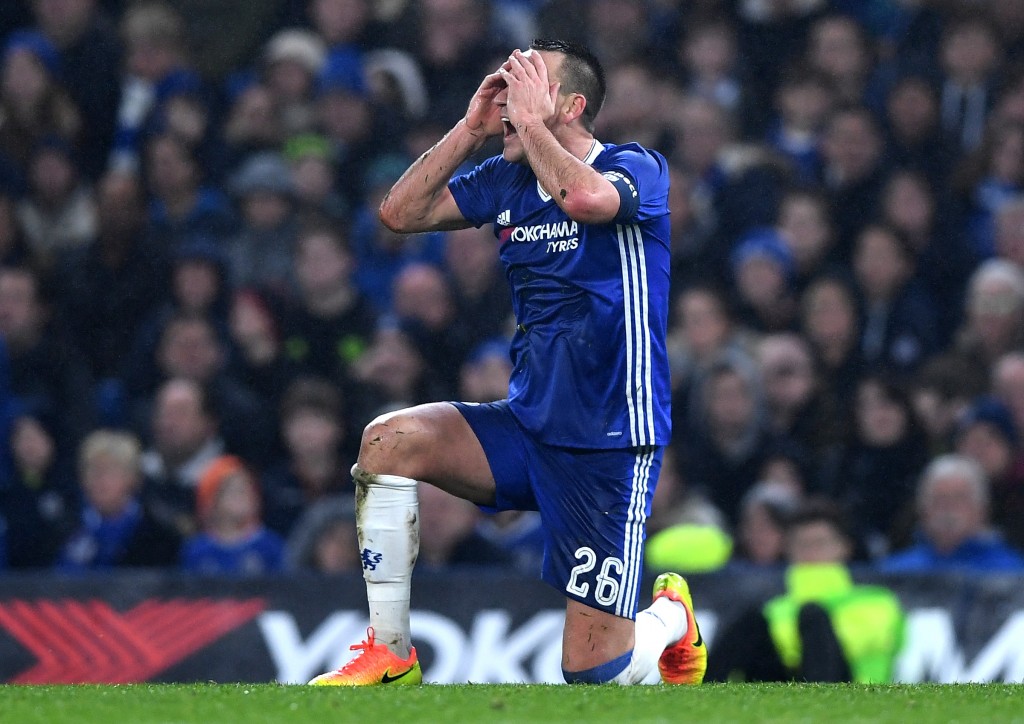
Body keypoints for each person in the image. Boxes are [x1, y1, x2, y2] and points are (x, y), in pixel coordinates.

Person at [308, 40, 705, 688]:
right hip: (527, 426)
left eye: (528, 81)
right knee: (388, 441)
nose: (508, 91)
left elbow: (585, 200)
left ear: (572, 105)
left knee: (593, 673)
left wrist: (531, 124)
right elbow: (399, 213)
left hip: (607, 442)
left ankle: (667, 620)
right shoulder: (507, 179)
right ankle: (390, 653)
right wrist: (470, 129)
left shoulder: (635, 167)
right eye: (507, 77)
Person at [706, 500, 906, 684]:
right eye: (801, 544)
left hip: (850, 688)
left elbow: (862, 646)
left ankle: (818, 702)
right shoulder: (776, 606)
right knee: (750, 621)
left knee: (813, 616)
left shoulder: (876, 600)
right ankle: (700, 695)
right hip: (789, 683)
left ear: (844, 548)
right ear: (788, 550)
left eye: (819, 543)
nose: (810, 553)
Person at [880, 454, 1024, 574]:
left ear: (981, 509)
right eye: (939, 498)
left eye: (959, 498)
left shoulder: (1012, 571)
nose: (948, 507)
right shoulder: (894, 572)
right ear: (923, 509)